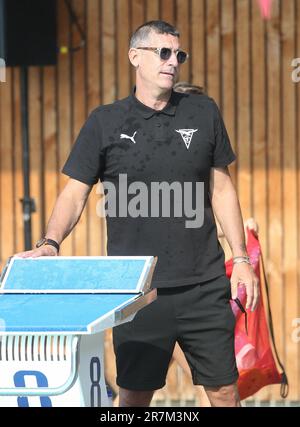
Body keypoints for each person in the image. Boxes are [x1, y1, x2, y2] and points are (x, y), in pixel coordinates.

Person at [17, 20, 259, 407]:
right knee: (134, 398)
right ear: (135, 57)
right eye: (163, 52)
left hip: (204, 285)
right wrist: (50, 242)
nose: (172, 61)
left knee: (225, 391)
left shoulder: (203, 111)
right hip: (140, 292)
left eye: (178, 54)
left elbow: (222, 188)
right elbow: (75, 193)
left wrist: (242, 258)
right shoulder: (105, 122)